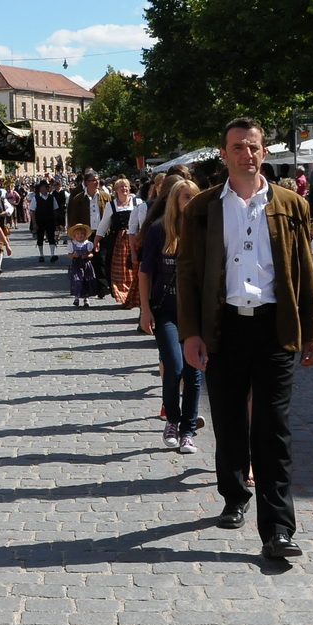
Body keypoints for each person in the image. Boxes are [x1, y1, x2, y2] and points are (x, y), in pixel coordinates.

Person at [178, 118, 313, 561]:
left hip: (274, 327)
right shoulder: (202, 208)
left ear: (264, 151)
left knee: (273, 428)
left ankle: (278, 528)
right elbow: (188, 277)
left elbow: (305, 273)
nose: (247, 154)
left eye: (254, 147)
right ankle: (234, 493)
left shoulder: (291, 204)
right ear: (224, 154)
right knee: (228, 420)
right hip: (223, 328)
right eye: (238, 147)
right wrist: (190, 334)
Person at [137, 176, 201, 453]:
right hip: (165, 310)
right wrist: (145, 310)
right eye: (186, 196)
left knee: (194, 371)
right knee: (174, 367)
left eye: (193, 196)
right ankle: (172, 421)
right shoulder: (158, 231)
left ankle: (188, 430)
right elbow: (145, 272)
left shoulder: (203, 229)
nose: (190, 201)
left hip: (196, 314)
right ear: (175, 200)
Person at [100, 178, 139, 307]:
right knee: (120, 270)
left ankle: (134, 296)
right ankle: (123, 296)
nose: (125, 189)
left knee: (134, 268)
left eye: (126, 186)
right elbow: (104, 225)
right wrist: (96, 241)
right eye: (121, 187)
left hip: (134, 239)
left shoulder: (137, 202)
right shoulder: (111, 205)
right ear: (116, 190)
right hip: (118, 242)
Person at [31, 179, 63, 262]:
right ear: (41, 188)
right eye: (46, 186)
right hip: (40, 220)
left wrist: (56, 221)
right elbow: (33, 211)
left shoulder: (52, 197)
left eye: (48, 186)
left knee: (51, 237)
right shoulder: (36, 198)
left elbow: (56, 209)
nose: (47, 188)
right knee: (40, 237)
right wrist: (34, 223)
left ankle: (53, 254)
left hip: (50, 220)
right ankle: (41, 255)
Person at [67, 222, 98, 307]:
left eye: (82, 234)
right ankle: (76, 297)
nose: (80, 236)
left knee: (86, 280)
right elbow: (69, 255)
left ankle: (86, 299)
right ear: (74, 235)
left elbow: (91, 254)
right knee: (77, 280)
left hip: (86, 264)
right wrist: (73, 255)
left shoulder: (88, 244)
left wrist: (87, 255)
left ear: (85, 235)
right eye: (78, 234)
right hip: (77, 264)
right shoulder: (72, 244)